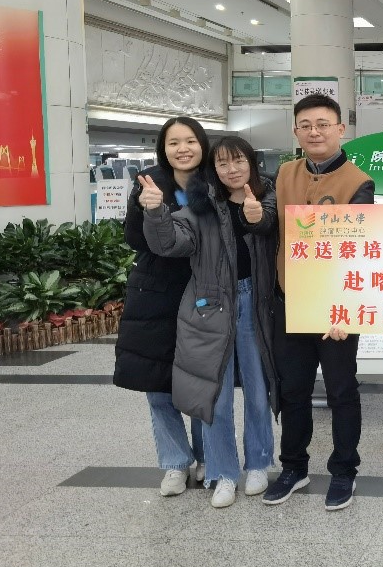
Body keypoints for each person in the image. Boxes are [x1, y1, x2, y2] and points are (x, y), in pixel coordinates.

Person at [139, 136, 278, 509]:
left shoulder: (269, 198)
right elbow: (169, 243)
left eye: (239, 161)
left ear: (252, 163)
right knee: (214, 395)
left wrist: (258, 218)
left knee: (258, 389)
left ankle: (259, 463)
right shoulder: (202, 208)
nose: (232, 169)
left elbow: (279, 230)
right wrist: (156, 212)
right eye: (223, 163)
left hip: (256, 304)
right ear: (213, 169)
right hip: (211, 306)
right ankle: (222, 472)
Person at [263, 94, 375, 511]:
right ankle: (294, 467)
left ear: (340, 129)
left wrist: (343, 307)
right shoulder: (283, 174)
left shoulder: (358, 182)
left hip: (336, 310)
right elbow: (268, 224)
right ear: (296, 132)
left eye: (323, 124)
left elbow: (358, 251)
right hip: (289, 301)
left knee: (342, 390)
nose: (315, 132)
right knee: (292, 389)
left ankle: (344, 469)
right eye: (306, 125)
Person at [113, 117, 210, 497]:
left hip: (203, 290)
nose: (182, 149)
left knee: (203, 382)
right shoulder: (149, 182)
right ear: (163, 149)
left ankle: (207, 456)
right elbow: (133, 239)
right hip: (155, 293)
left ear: (202, 145)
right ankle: (174, 463)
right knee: (157, 384)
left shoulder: (214, 182)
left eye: (190, 141)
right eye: (173, 143)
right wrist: (144, 208)